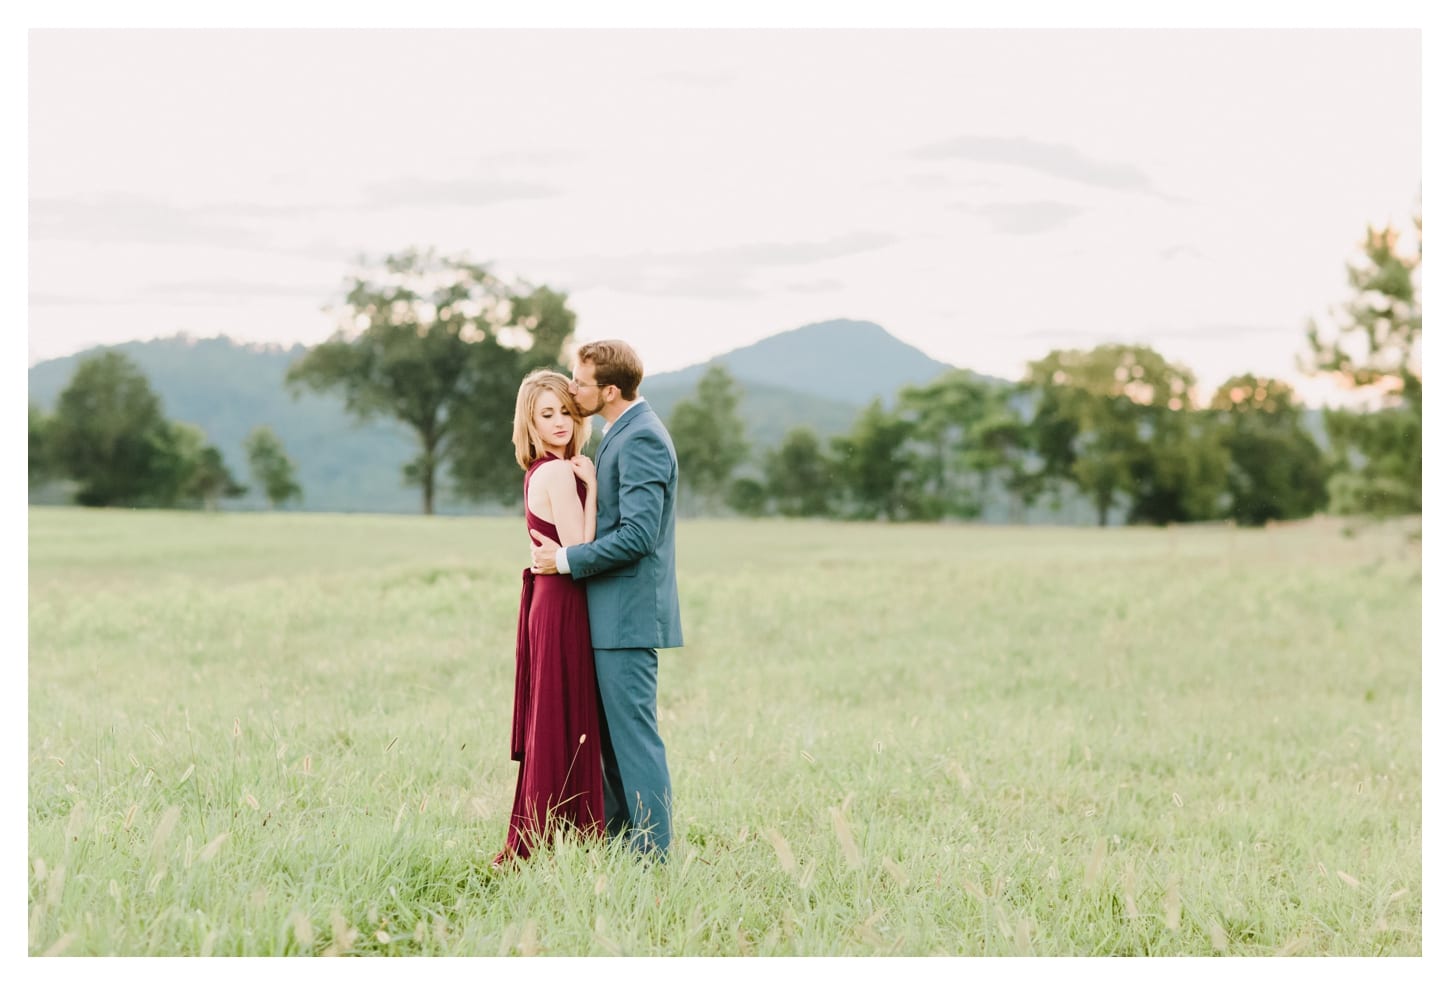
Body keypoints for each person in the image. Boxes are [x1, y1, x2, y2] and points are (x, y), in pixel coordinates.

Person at [529, 340, 683, 858]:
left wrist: (566, 561)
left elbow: (640, 535)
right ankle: (621, 848)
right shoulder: (619, 434)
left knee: (634, 742)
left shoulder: (641, 439)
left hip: (627, 616)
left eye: (581, 382)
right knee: (612, 746)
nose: (573, 389)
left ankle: (653, 859)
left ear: (610, 390)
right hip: (604, 615)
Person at [495, 370, 604, 866]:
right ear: (531, 424)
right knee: (562, 717)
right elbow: (581, 548)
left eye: (565, 410)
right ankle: (557, 837)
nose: (560, 421)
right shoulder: (561, 473)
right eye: (547, 414)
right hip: (561, 600)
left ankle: (554, 837)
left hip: (552, 597)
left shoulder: (542, 470)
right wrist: (595, 488)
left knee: (557, 717)